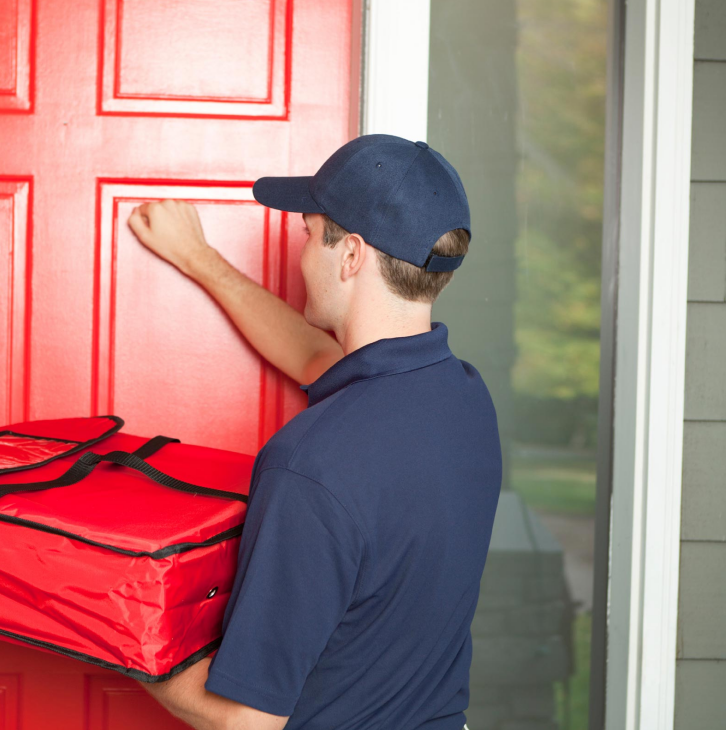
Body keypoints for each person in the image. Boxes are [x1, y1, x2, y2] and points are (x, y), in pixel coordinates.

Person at [126, 134, 501, 730]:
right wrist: (197, 258)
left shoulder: (310, 464)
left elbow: (246, 721)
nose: (301, 254)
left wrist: (123, 638)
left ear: (350, 255)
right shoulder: (463, 399)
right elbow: (312, 356)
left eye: (307, 234)